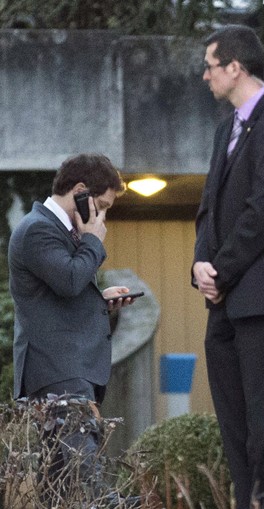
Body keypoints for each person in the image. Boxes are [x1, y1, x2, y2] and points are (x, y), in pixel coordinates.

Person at [192, 24, 264, 509]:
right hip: (226, 304)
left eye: (210, 66)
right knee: (235, 427)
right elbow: (210, 207)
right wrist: (200, 262)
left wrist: (220, 271)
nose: (205, 76)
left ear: (235, 67)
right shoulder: (227, 129)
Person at [8, 153, 137, 501]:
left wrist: (100, 297)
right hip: (57, 371)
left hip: (65, 369)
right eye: (102, 205)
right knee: (88, 478)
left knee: (62, 485)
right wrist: (94, 239)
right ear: (80, 190)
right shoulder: (37, 229)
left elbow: (64, 290)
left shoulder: (57, 230)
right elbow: (68, 279)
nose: (103, 216)